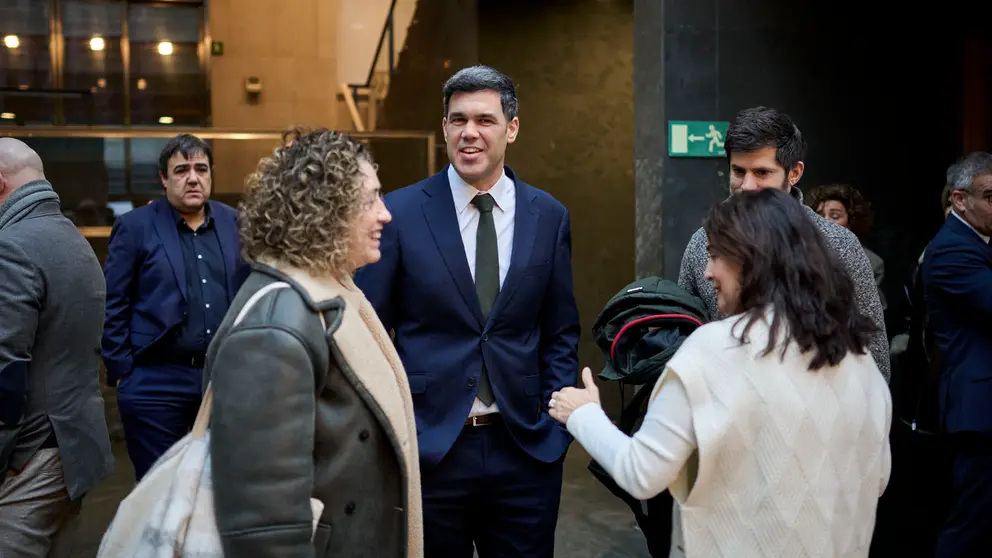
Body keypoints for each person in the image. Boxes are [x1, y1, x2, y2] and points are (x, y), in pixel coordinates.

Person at [550, 188, 892, 557]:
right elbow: (878, 480)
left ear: (753, 260)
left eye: (716, 256)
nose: (707, 272)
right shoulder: (860, 359)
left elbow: (641, 472)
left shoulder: (713, 349)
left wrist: (583, 414)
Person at [355, 65, 580, 558]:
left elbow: (560, 329)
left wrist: (553, 427)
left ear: (512, 128)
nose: (469, 132)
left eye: (485, 119)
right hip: (433, 449)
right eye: (457, 120)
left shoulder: (549, 216)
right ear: (444, 128)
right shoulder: (401, 213)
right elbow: (368, 329)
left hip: (525, 448)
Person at [206, 128, 422, 557]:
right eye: (371, 200)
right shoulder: (275, 328)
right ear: (327, 211)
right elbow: (263, 526)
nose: (386, 214)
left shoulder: (330, 290)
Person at [678, 107, 890, 383]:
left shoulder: (838, 244)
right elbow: (680, 340)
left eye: (762, 172)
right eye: (738, 171)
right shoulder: (702, 243)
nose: (748, 185)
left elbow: (874, 360)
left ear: (794, 173)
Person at [101, 133, 249, 480]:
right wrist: (124, 372)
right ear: (164, 179)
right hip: (155, 381)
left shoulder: (236, 224)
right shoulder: (135, 227)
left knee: (221, 487)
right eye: (181, 170)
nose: (193, 177)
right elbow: (113, 302)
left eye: (201, 168)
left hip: (221, 379)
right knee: (160, 489)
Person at [0, 138, 113, 556]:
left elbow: (4, 372)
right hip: (73, 450)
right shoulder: (74, 240)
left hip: (30, 456)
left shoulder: (11, 246)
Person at [925, 152, 992, 557]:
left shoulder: (978, 242)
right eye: (991, 195)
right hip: (981, 409)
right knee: (974, 522)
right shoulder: (952, 250)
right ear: (960, 200)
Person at [806, 183, 886, 309]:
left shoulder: (871, 263)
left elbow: (870, 316)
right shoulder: (800, 256)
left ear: (851, 222)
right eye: (819, 216)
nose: (825, 222)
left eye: (835, 216)